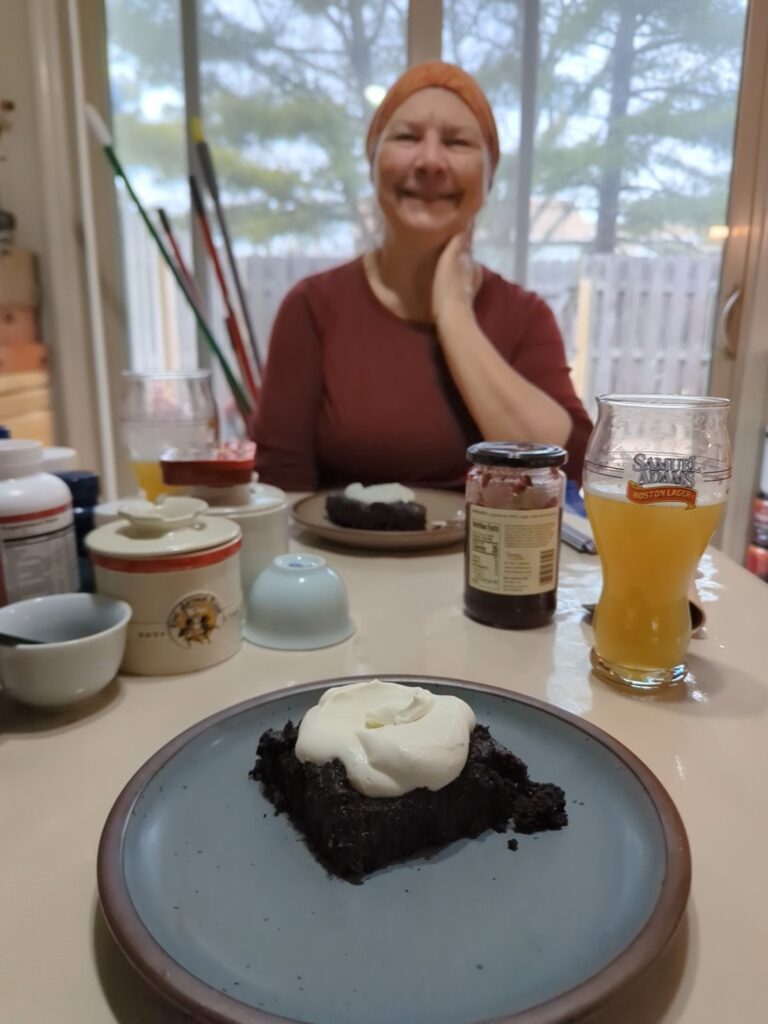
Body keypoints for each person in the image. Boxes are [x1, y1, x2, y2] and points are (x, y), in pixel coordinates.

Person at [254, 61, 592, 491]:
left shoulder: (524, 316)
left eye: (457, 142)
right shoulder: (311, 308)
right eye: (407, 137)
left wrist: (453, 314)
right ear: (374, 163)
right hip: (345, 558)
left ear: (488, 179)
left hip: (493, 557)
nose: (430, 161)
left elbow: (572, 466)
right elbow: (280, 490)